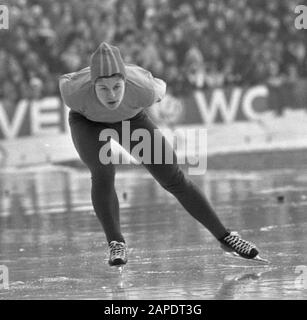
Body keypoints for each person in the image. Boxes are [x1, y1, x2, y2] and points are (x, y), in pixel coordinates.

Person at [59, 42, 260, 267]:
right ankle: (116, 243)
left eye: (117, 86)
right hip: (87, 123)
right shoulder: (73, 93)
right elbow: (64, 79)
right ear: (92, 85)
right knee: (103, 171)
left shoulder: (145, 89)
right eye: (103, 89)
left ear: (126, 81)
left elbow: (161, 92)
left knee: (173, 177)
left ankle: (225, 237)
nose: (112, 95)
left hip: (131, 119)